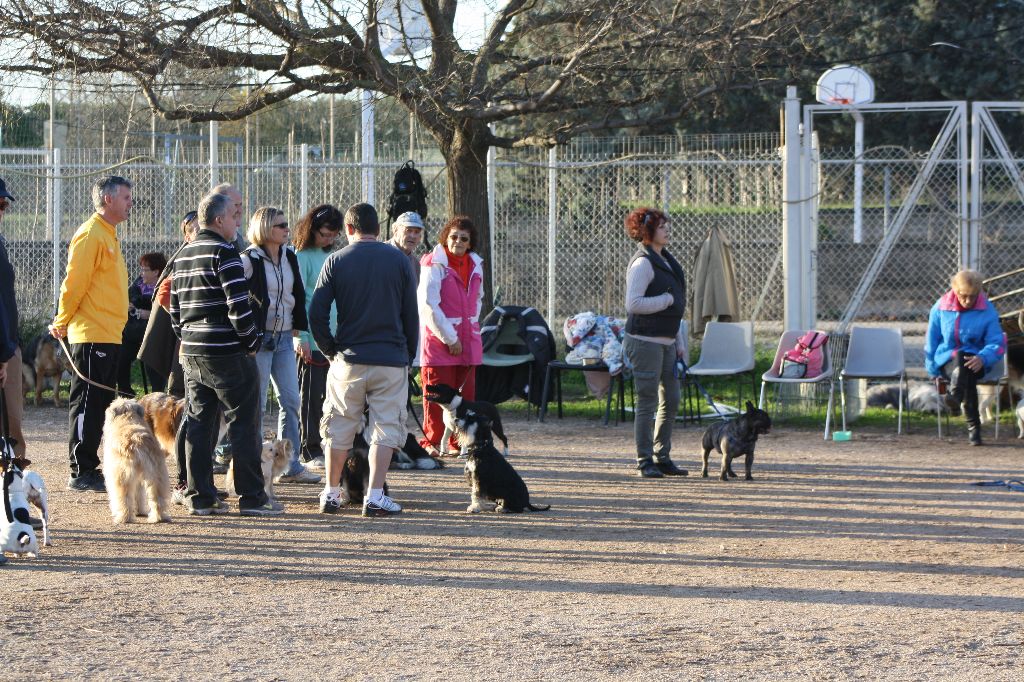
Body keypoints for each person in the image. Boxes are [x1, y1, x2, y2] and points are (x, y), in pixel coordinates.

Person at [169, 191, 281, 516]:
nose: (238, 221)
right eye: (234, 216)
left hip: (192, 351)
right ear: (220, 220)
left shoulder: (184, 255)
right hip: (228, 352)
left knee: (199, 422)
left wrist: (189, 338)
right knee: (244, 422)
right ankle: (252, 497)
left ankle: (199, 496)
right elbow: (239, 307)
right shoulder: (226, 253)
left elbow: (174, 312)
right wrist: (251, 342)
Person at [309, 203, 418, 517]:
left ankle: (331, 493)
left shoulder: (336, 260)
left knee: (339, 425)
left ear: (348, 229)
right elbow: (411, 315)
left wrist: (330, 350)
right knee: (386, 427)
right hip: (391, 357)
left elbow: (317, 313)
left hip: (349, 358)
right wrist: (408, 355)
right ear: (380, 230)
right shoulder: (399, 260)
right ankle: (374, 495)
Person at [50, 176, 133, 492]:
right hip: (91, 333)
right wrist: (61, 320)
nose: (130, 203)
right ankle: (80, 469)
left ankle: (90, 465)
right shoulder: (90, 235)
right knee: (86, 402)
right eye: (126, 197)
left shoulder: (109, 235)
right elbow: (74, 284)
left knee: (99, 402)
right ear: (108, 199)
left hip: (109, 333)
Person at [241, 206, 320, 484]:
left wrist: (300, 331)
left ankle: (290, 463)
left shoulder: (289, 256)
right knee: (258, 404)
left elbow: (297, 292)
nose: (287, 229)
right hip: (258, 340)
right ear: (264, 229)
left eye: (286, 224)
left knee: (291, 400)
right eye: (280, 225)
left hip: (285, 337)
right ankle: (255, 466)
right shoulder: (249, 259)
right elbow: (235, 294)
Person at [622, 207, 689, 479]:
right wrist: (665, 300)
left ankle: (662, 456)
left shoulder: (666, 260)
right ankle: (644, 460)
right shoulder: (643, 263)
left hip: (667, 341)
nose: (667, 229)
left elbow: (677, 305)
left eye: (666, 225)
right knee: (648, 400)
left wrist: (679, 339)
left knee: (671, 399)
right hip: (644, 342)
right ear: (648, 231)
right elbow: (634, 304)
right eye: (662, 226)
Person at [417, 215, 484, 455]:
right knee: (436, 395)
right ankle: (432, 442)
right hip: (440, 343)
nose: (457, 241)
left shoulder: (475, 263)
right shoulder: (434, 263)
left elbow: (478, 298)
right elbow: (428, 305)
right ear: (445, 237)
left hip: (468, 341)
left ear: (470, 242)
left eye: (463, 238)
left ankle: (460, 442)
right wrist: (450, 338)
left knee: (465, 396)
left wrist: (470, 329)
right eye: (453, 236)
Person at [925, 269, 1006, 446]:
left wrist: (983, 358)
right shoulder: (940, 308)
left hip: (979, 362)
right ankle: (974, 429)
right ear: (954, 290)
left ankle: (955, 397)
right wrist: (933, 371)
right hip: (947, 362)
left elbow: (997, 343)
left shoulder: (987, 310)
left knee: (966, 361)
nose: (968, 301)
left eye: (973, 296)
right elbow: (932, 340)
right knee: (962, 361)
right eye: (963, 296)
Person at [292, 204, 343, 471]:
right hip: (310, 338)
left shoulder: (331, 254)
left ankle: (320, 442)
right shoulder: (301, 256)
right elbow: (298, 299)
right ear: (312, 229)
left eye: (333, 235)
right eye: (325, 234)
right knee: (309, 396)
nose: (329, 239)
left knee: (329, 396)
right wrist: (299, 336)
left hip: (332, 335)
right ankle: (308, 447)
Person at [0, 177, 26, 460]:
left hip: (8, 344)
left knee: (12, 425)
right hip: (4, 349)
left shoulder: (1, 242)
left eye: (4, 204)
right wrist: (4, 353)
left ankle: (13, 483)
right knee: (10, 425)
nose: (2, 210)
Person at [117, 251, 167, 394]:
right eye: (142, 269)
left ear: (156, 272)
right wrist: (127, 306)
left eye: (145, 270)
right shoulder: (136, 288)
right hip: (132, 333)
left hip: (154, 335)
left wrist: (151, 314)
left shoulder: (164, 287)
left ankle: (157, 395)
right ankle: (125, 391)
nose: (142, 273)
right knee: (121, 356)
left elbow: (169, 313)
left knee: (151, 360)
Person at [389, 211, 425, 282]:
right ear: (395, 230)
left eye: (417, 232)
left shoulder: (416, 264)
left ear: (420, 237)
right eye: (408, 230)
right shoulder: (381, 254)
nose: (412, 236)